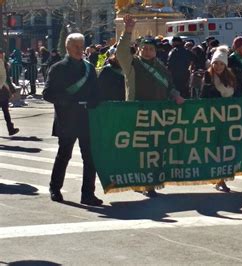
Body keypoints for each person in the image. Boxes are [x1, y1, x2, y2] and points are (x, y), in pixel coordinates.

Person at [117, 15, 184, 198]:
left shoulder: (161, 67)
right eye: (144, 48)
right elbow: (121, 52)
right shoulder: (133, 64)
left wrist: (176, 95)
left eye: (151, 49)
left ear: (155, 50)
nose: (147, 51)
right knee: (141, 151)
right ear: (139, 49)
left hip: (159, 115)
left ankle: (151, 182)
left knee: (155, 151)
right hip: (138, 113)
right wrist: (127, 31)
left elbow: (170, 86)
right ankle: (142, 182)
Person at [43, 33, 103, 206]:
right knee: (64, 155)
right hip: (67, 119)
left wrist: (94, 101)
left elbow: (96, 92)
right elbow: (47, 94)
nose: (80, 50)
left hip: (86, 119)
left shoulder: (89, 68)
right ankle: (55, 188)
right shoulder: (58, 68)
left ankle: (88, 194)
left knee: (89, 157)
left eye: (81, 46)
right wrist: (66, 101)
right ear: (68, 48)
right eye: (76, 46)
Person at [200, 45, 235, 192]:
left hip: (228, 118)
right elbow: (203, 97)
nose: (218, 66)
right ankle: (219, 179)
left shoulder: (231, 77)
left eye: (221, 63)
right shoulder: (208, 76)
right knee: (216, 150)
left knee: (225, 149)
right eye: (215, 63)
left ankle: (221, 179)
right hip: (212, 118)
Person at [0, 49, 19, 136]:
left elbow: (6, 78)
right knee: (5, 110)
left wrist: (12, 90)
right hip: (2, 89)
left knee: (5, 110)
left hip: (3, 90)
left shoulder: (3, 63)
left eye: (1, 54)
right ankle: (10, 128)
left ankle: (10, 129)